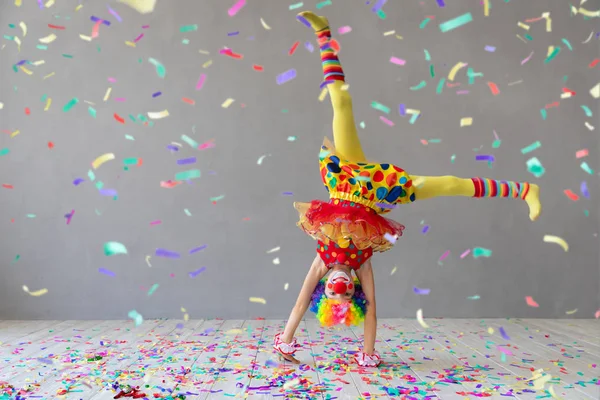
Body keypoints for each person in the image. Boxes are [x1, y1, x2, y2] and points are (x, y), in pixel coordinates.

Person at [273, 11, 542, 367]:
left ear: (326, 287)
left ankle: (323, 33)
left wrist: (285, 341)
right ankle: (523, 190)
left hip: (348, 179)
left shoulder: (322, 261)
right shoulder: (364, 264)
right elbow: (372, 313)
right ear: (352, 290)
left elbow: (299, 302)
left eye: (333, 288)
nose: (340, 282)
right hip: (381, 192)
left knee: (341, 103)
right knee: (448, 184)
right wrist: (368, 354)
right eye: (346, 290)